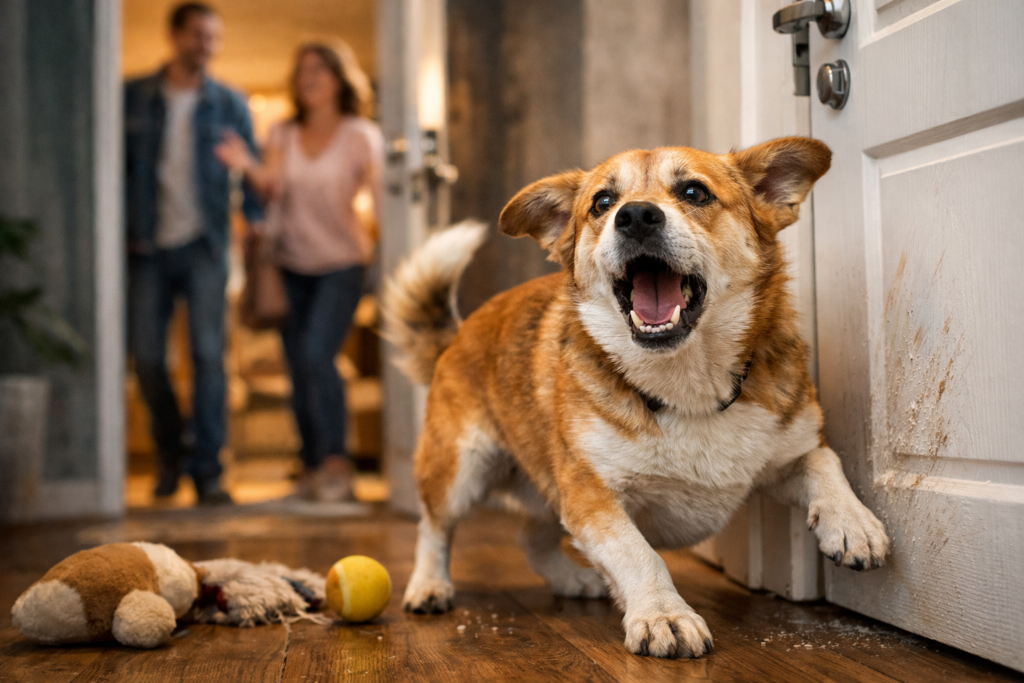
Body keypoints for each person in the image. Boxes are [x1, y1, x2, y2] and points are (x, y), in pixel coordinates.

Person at [215, 41, 384, 502]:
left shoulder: (360, 135)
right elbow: (271, 186)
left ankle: (336, 464)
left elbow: (387, 197)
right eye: (302, 70)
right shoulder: (283, 133)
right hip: (289, 263)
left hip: (343, 263)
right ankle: (309, 466)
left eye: (319, 70)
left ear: (339, 79)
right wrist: (245, 164)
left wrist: (394, 251)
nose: (308, 77)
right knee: (298, 366)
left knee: (316, 354)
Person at [125, 2, 263, 505]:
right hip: (145, 248)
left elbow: (251, 170)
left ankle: (209, 472)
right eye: (199, 36)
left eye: (213, 38)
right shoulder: (134, 97)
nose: (206, 46)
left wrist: (255, 227)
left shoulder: (229, 102)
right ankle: (170, 454)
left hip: (206, 246)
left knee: (209, 358)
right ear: (175, 36)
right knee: (148, 359)